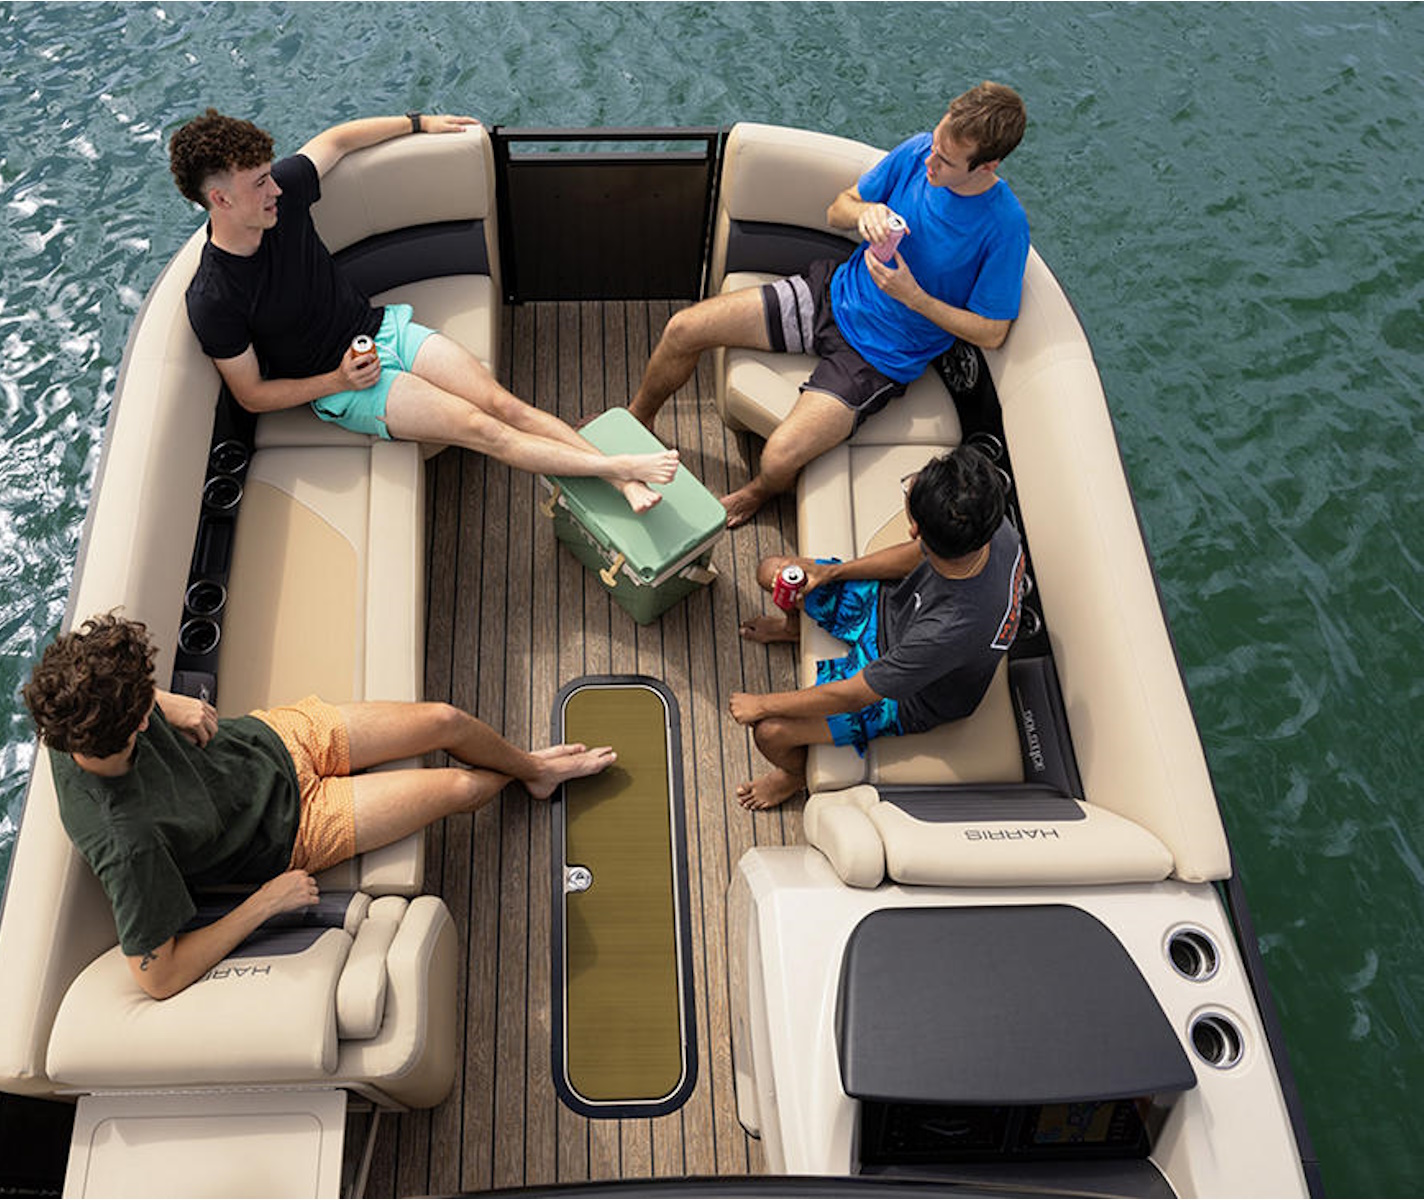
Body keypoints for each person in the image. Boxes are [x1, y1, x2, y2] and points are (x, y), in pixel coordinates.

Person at [23, 612, 617, 999]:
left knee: (444, 719)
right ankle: (528, 775)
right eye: (144, 704)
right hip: (295, 827)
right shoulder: (126, 842)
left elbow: (110, 685)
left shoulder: (70, 717)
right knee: (460, 790)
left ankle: (534, 770)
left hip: (275, 739)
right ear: (133, 724)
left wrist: (167, 700)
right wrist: (263, 904)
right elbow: (159, 975)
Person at [169, 109, 677, 513]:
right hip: (345, 386)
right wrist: (338, 381)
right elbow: (252, 395)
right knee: (483, 429)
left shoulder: (285, 196)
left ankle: (621, 478)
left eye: (270, 176)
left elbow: (337, 140)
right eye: (260, 183)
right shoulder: (214, 297)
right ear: (220, 199)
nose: (276, 188)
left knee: (504, 405)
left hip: (380, 328)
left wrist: (420, 123)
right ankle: (620, 467)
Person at [627, 82, 1029, 527]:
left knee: (778, 457)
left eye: (946, 161)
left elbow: (993, 331)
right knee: (683, 329)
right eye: (934, 146)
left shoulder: (1004, 226)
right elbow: (838, 209)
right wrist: (863, 213)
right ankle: (635, 421)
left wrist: (914, 299)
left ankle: (758, 493)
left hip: (877, 358)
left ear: (987, 165)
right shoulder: (917, 152)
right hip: (830, 295)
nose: (929, 162)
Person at [727, 445, 1025, 810]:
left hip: (911, 696)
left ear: (915, 528)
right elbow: (915, 556)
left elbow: (856, 694)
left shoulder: (950, 629)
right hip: (893, 608)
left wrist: (761, 704)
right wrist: (831, 572)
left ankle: (793, 776)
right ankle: (793, 630)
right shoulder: (986, 524)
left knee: (770, 732)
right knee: (776, 572)